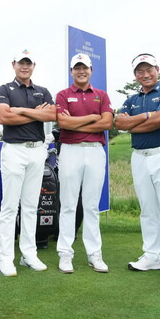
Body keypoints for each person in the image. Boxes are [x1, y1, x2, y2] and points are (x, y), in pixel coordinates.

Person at [115, 53, 160, 286]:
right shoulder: (132, 98)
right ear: (135, 74)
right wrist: (148, 116)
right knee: (147, 209)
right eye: (140, 71)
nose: (145, 74)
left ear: (157, 69)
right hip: (140, 157)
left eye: (149, 70)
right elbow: (119, 123)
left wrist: (138, 120)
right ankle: (152, 256)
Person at [0, 49, 56, 277]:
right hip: (14, 151)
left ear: (33, 66)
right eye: (21, 63)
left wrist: (20, 110)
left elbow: (52, 116)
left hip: (36, 151)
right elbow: (4, 117)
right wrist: (34, 113)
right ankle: (5, 258)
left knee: (31, 206)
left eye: (28, 63)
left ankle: (28, 254)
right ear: (14, 64)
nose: (25, 66)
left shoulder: (43, 91)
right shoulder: (4, 89)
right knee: (10, 207)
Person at [55, 53, 113, 274]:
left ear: (91, 70)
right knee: (68, 204)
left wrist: (75, 123)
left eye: (85, 68)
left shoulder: (101, 95)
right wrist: (92, 118)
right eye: (77, 68)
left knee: (91, 206)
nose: (81, 71)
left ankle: (94, 254)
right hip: (70, 151)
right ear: (72, 71)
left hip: (95, 152)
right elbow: (63, 122)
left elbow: (107, 123)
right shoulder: (63, 95)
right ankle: (65, 254)